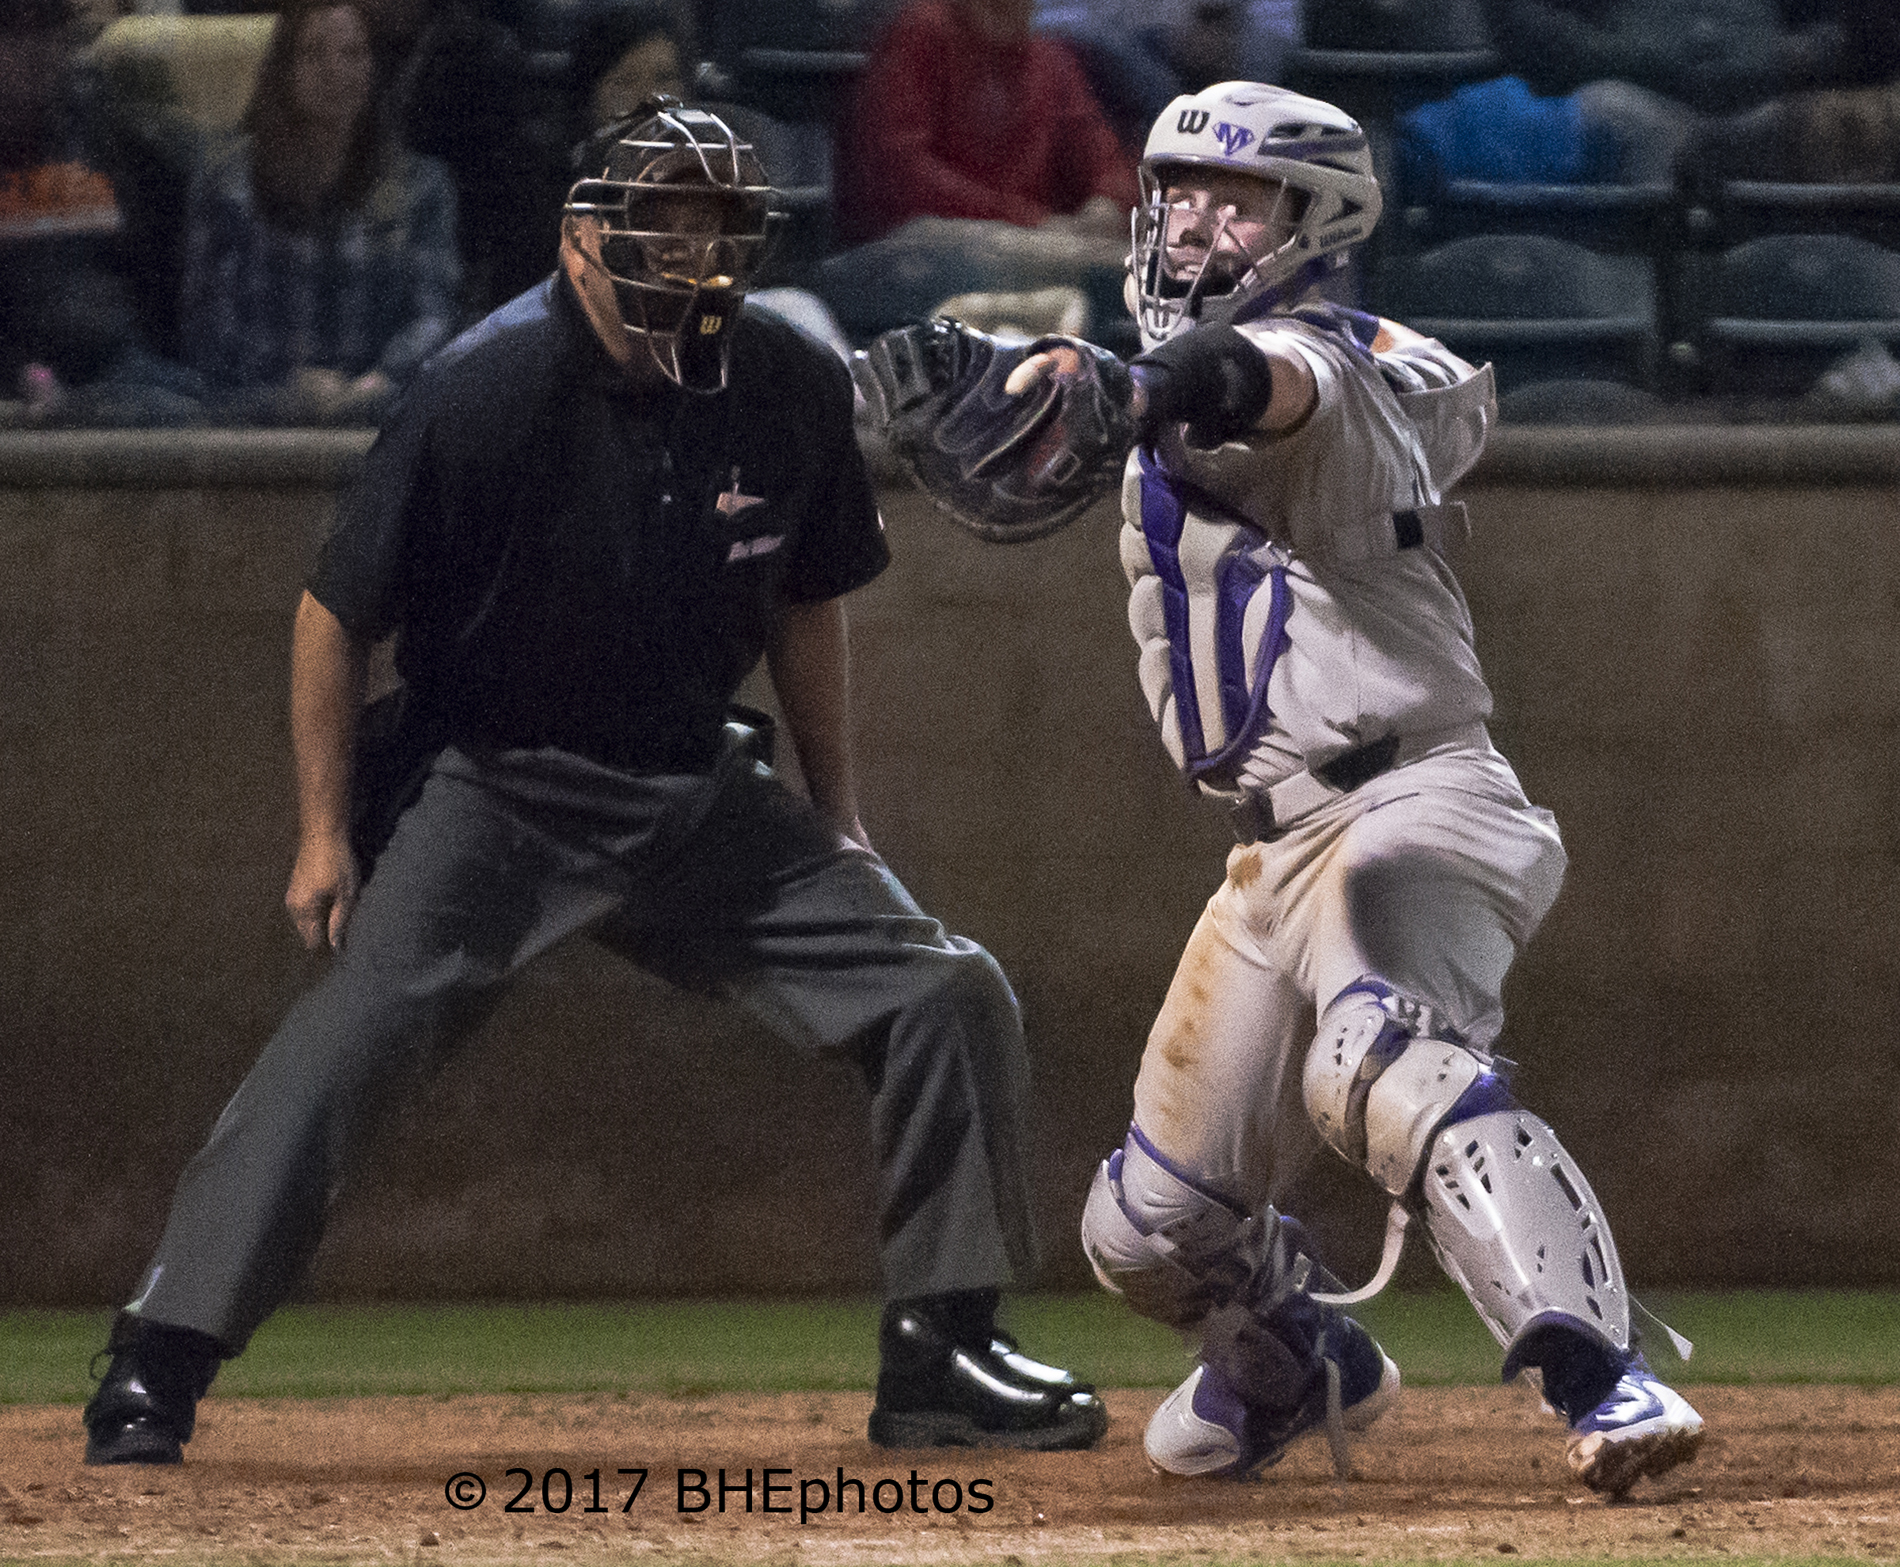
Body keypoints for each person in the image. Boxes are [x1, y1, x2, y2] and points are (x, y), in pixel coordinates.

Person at [80, 97, 1107, 1466]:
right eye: (664, 220)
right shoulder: (486, 388)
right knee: (342, 1048)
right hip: (499, 788)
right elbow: (336, 614)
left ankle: (943, 1349)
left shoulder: (785, 378)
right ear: (581, 239)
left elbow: (806, 603)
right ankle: (158, 1355)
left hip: (696, 790)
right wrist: (323, 832)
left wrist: (839, 811)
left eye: (721, 222)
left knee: (947, 988)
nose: (696, 251)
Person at [1006, 81, 1706, 1493]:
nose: (1194, 222)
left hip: (1414, 799)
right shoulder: (1235, 360)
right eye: (1180, 192)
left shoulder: (1315, 362)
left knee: (1376, 1059)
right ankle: (1305, 1361)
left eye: (1237, 201)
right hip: (1275, 850)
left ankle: (1607, 1375)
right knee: (1146, 1229)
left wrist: (1130, 388)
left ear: (1315, 223)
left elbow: (1254, 379)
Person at [176, 0, 459, 424]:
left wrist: (371, 385)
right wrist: (287, 393)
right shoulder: (229, 181)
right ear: (285, 67)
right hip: (253, 416)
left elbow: (433, 317)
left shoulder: (421, 185)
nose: (334, 70)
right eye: (313, 53)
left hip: (379, 413)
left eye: (352, 53)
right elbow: (208, 326)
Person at [819, 0, 1139, 347]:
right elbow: (901, 175)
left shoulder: (1047, 55)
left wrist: (1106, 202)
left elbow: (1102, 154)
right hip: (902, 251)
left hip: (1026, 246)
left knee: (1126, 266)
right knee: (1104, 272)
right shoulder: (919, 32)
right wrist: (1031, 221)